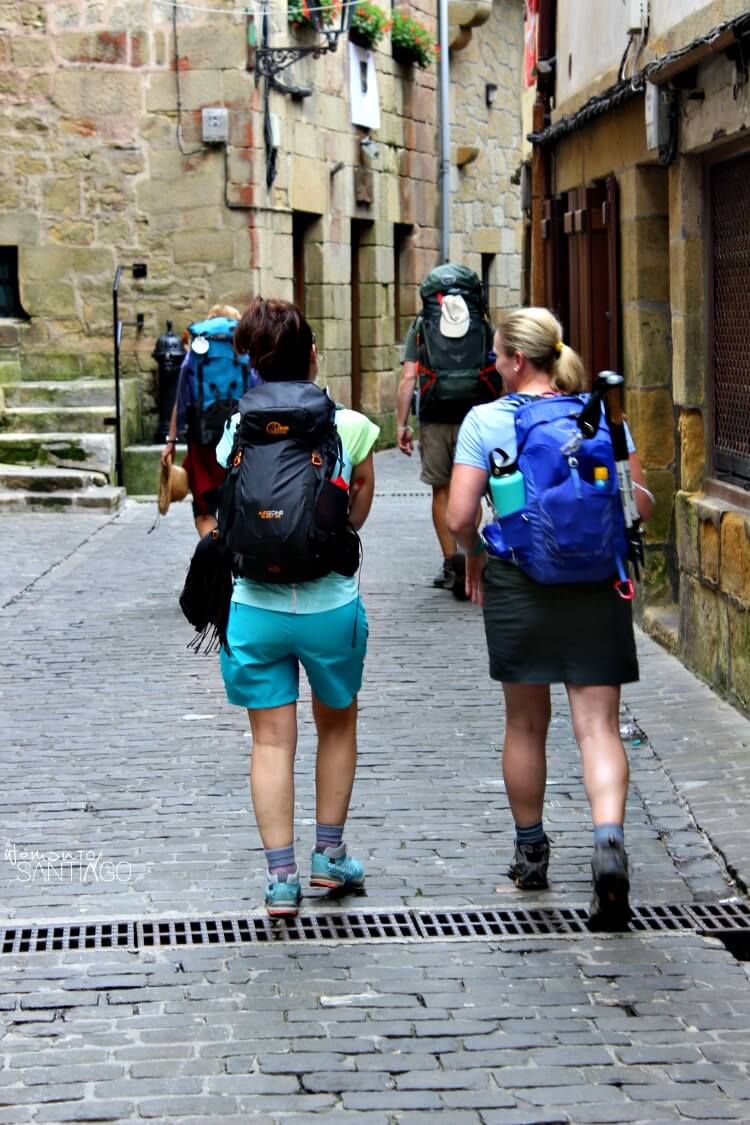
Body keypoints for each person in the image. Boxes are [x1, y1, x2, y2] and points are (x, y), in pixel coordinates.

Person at [446, 307, 654, 930]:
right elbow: (639, 504)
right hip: (597, 583)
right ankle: (609, 843)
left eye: (497, 355)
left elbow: (459, 518)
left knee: (526, 723)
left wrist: (474, 556)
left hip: (518, 579)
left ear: (516, 360)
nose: (494, 365)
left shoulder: (485, 420)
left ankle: (531, 853)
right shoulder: (602, 414)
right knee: (599, 727)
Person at [216, 297, 379, 919]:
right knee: (336, 726)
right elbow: (356, 508)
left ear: (254, 365)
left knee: (269, 743)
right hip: (329, 603)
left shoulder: (238, 428)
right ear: (313, 356)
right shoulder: (351, 427)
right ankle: (329, 857)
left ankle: (281, 880)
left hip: (253, 605)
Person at [395, 265, 498, 592]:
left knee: (441, 490)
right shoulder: (483, 321)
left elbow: (408, 377)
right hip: (476, 413)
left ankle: (450, 562)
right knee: (473, 488)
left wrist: (401, 424)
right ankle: (470, 555)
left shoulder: (422, 323)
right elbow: (497, 366)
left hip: (435, 414)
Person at [160, 304, 242, 538]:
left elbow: (181, 401)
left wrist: (171, 442)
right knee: (237, 506)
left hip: (202, 442)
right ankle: (233, 551)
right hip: (240, 441)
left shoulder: (196, 354)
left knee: (205, 512)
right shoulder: (245, 351)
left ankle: (214, 551)